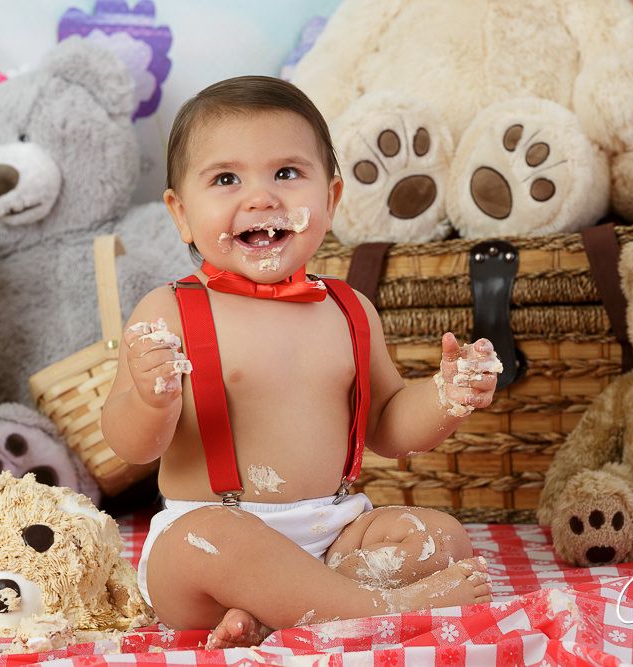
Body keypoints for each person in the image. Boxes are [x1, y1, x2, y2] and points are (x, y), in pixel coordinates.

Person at [101, 75, 500, 649]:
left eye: (286, 173)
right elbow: (129, 445)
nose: (261, 198)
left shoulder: (349, 310)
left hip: (335, 532)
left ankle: (284, 609)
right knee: (207, 539)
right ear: (181, 213)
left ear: (331, 200)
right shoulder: (171, 311)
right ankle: (379, 607)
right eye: (226, 179)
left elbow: (388, 424)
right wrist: (150, 399)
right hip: (213, 546)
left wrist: (444, 396)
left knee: (439, 536)